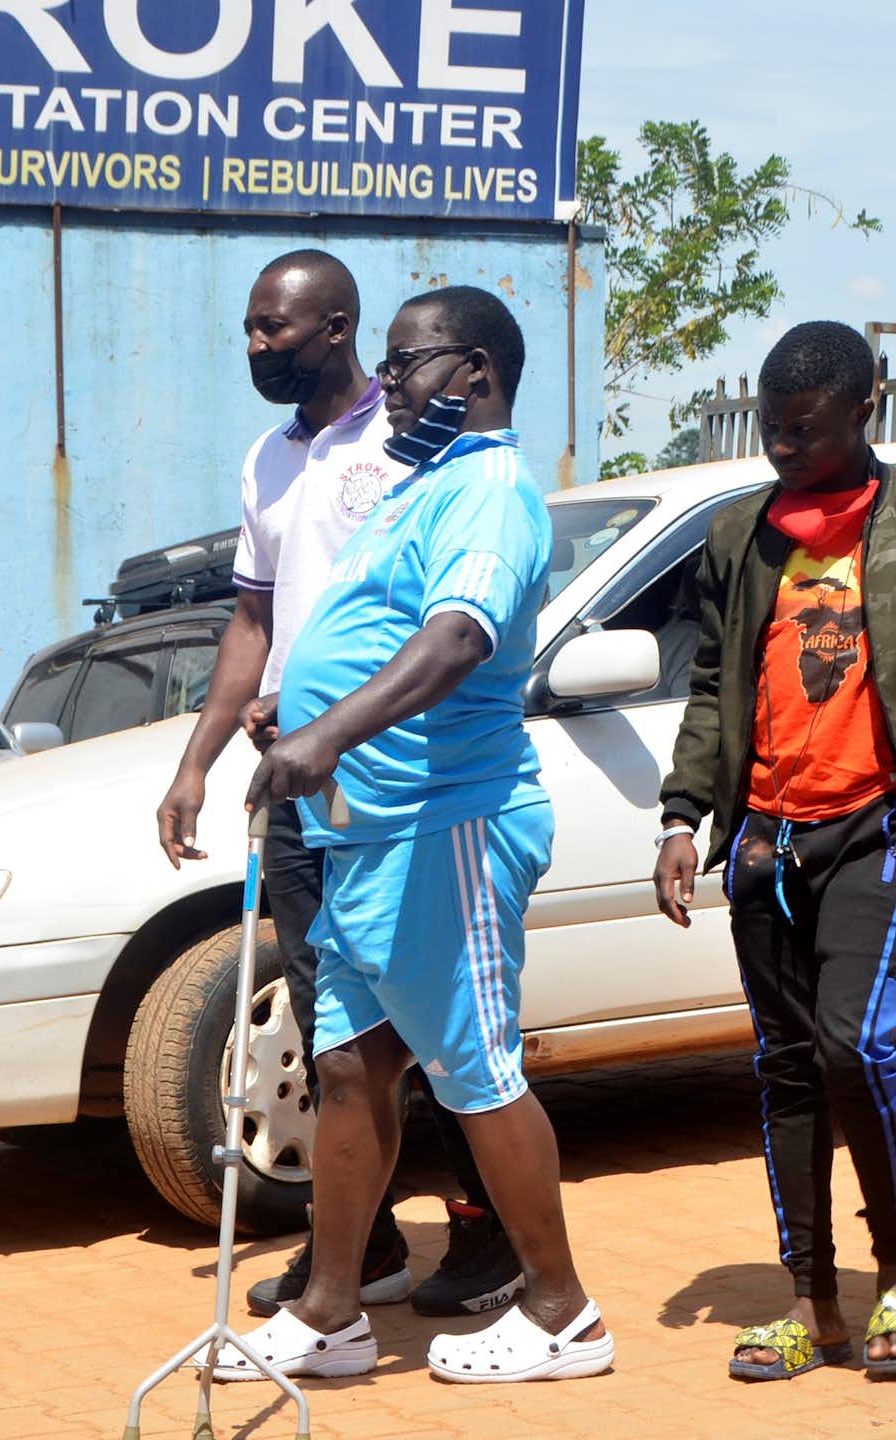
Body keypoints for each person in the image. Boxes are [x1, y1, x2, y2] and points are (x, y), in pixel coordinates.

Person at [218, 285, 612, 1386]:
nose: (389, 387)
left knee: (476, 1069)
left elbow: (454, 638)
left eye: (408, 364)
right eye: (386, 367)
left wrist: (323, 736)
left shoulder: (488, 489)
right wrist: (292, 713)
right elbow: (375, 629)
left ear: (475, 372)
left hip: (446, 824)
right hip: (367, 832)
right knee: (349, 1065)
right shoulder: (422, 483)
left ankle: (560, 1313)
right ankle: (334, 1310)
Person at [155, 251, 524, 1324]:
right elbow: (255, 622)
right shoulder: (268, 460)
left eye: (276, 328)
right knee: (334, 1030)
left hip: (397, 777)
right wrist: (198, 760)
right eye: (251, 329)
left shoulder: (418, 443)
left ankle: (487, 1237)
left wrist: (332, 717)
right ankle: (353, 1252)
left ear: (339, 327)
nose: (258, 347)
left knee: (428, 1022)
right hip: (296, 783)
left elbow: (438, 612)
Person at [652, 321, 896, 1384]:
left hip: (879, 827)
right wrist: (682, 816)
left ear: (866, 408)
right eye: (771, 431)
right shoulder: (739, 537)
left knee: (856, 1044)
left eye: (802, 430)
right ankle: (811, 1303)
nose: (782, 449)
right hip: (765, 837)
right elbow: (714, 688)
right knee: (787, 1067)